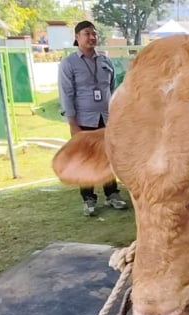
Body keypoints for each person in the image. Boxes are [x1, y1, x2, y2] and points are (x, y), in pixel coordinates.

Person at [58, 20, 128, 216]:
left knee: (108, 157)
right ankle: (88, 198)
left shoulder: (105, 61)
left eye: (94, 34)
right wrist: (72, 124)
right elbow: (66, 94)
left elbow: (112, 90)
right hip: (83, 121)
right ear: (77, 37)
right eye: (87, 33)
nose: (92, 37)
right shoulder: (69, 63)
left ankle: (112, 194)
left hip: (106, 119)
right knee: (85, 159)